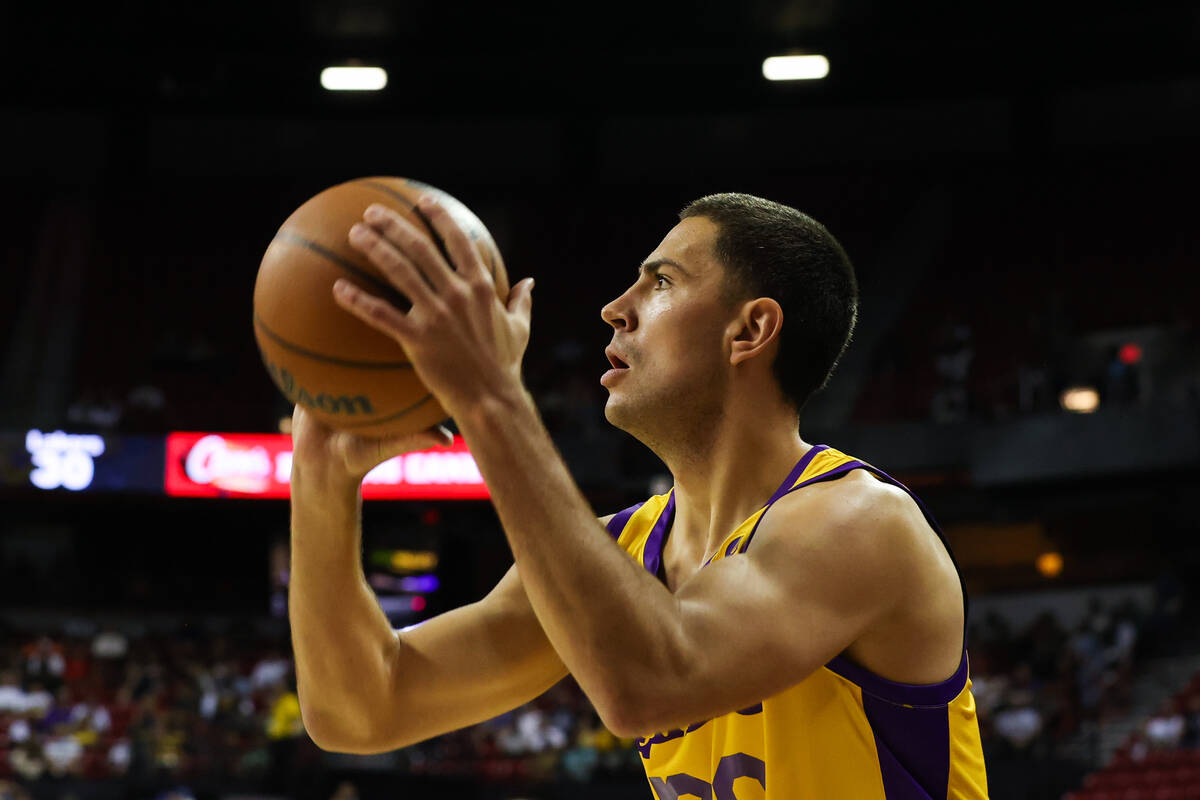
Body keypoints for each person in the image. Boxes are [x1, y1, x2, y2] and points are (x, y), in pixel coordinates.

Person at [288, 192, 989, 798]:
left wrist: (489, 397)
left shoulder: (861, 521)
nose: (614, 309)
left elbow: (651, 681)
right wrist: (321, 485)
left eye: (660, 282)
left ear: (749, 330)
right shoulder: (621, 546)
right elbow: (362, 708)